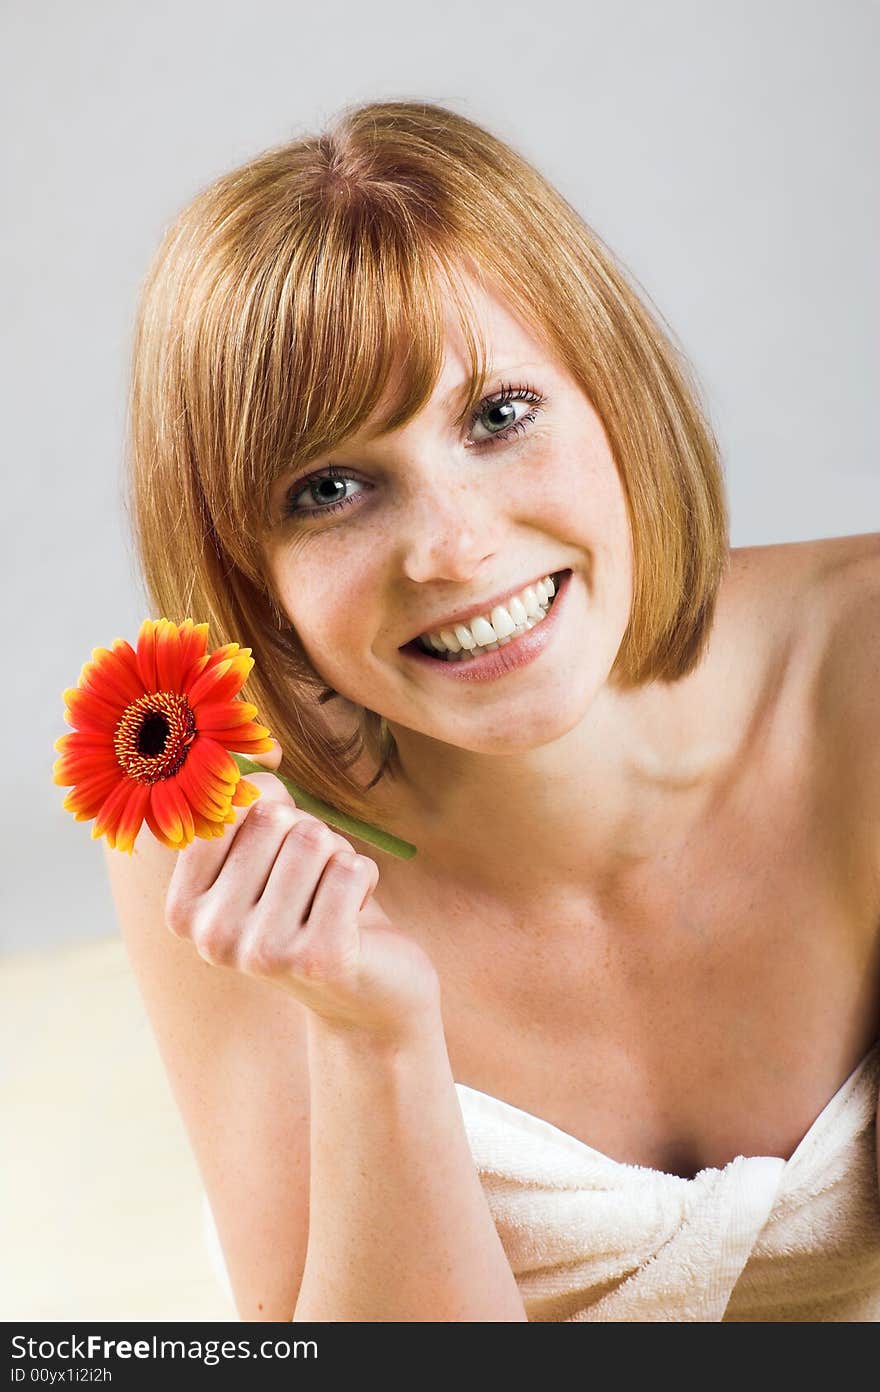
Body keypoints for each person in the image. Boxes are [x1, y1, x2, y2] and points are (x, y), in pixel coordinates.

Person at [103, 98, 880, 1322]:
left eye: (497, 415)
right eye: (331, 487)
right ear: (249, 572)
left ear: (613, 391)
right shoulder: (208, 837)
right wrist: (372, 1039)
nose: (455, 550)